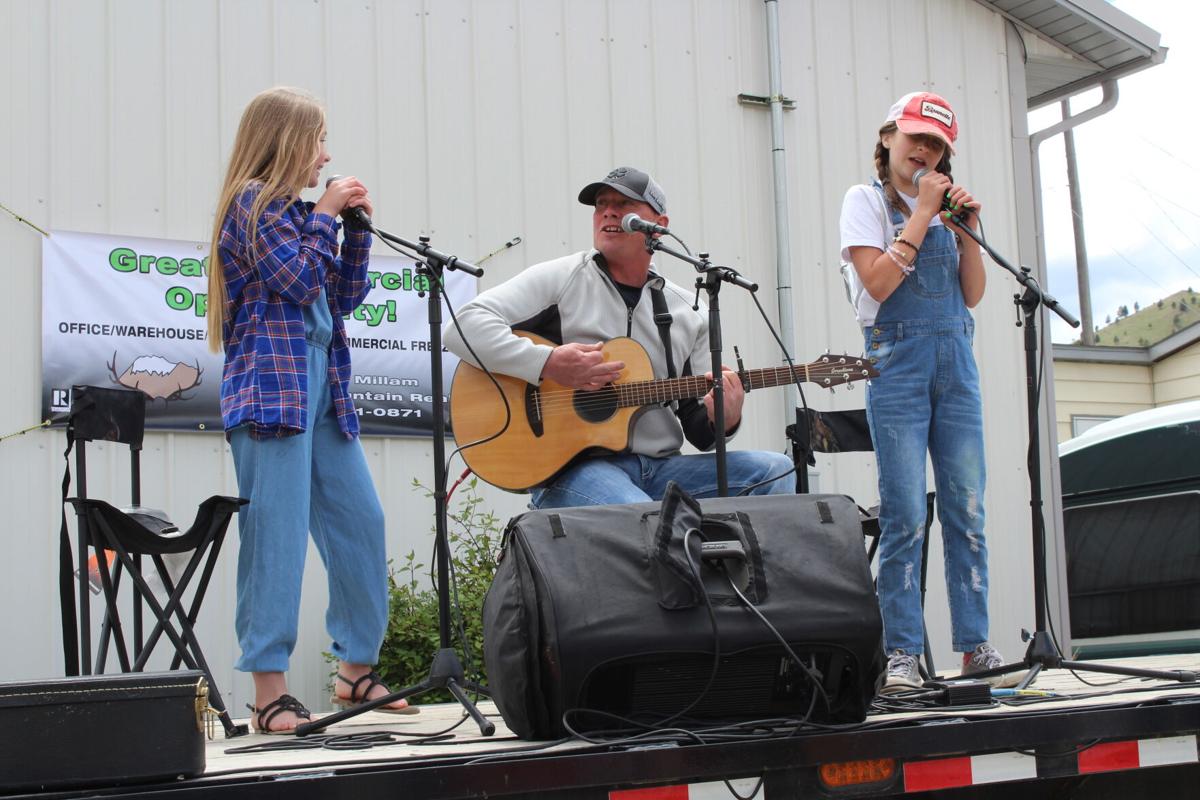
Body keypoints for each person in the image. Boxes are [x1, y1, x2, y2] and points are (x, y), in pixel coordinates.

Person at [206, 86, 415, 733]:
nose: (326, 156)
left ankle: (356, 671)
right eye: (319, 140)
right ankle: (269, 693)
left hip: (324, 395)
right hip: (273, 394)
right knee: (277, 539)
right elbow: (295, 283)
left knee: (362, 520)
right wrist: (327, 211)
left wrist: (356, 229)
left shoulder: (300, 215)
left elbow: (344, 296)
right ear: (289, 141)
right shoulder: (250, 205)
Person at [443, 167, 795, 507]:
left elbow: (699, 430)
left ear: (659, 225)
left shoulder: (691, 311)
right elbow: (462, 326)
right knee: (642, 517)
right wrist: (548, 363)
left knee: (775, 471)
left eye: (623, 204)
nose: (608, 212)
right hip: (575, 470)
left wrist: (726, 417)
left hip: (660, 469)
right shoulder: (562, 278)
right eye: (600, 205)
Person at [839, 92, 1021, 692]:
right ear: (888, 135)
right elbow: (878, 283)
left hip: (956, 365)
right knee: (905, 514)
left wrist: (967, 230)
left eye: (937, 145)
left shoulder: (948, 209)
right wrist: (922, 211)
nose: (924, 151)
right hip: (896, 365)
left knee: (967, 506)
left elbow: (972, 294)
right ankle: (902, 654)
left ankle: (974, 647)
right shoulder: (864, 202)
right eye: (916, 137)